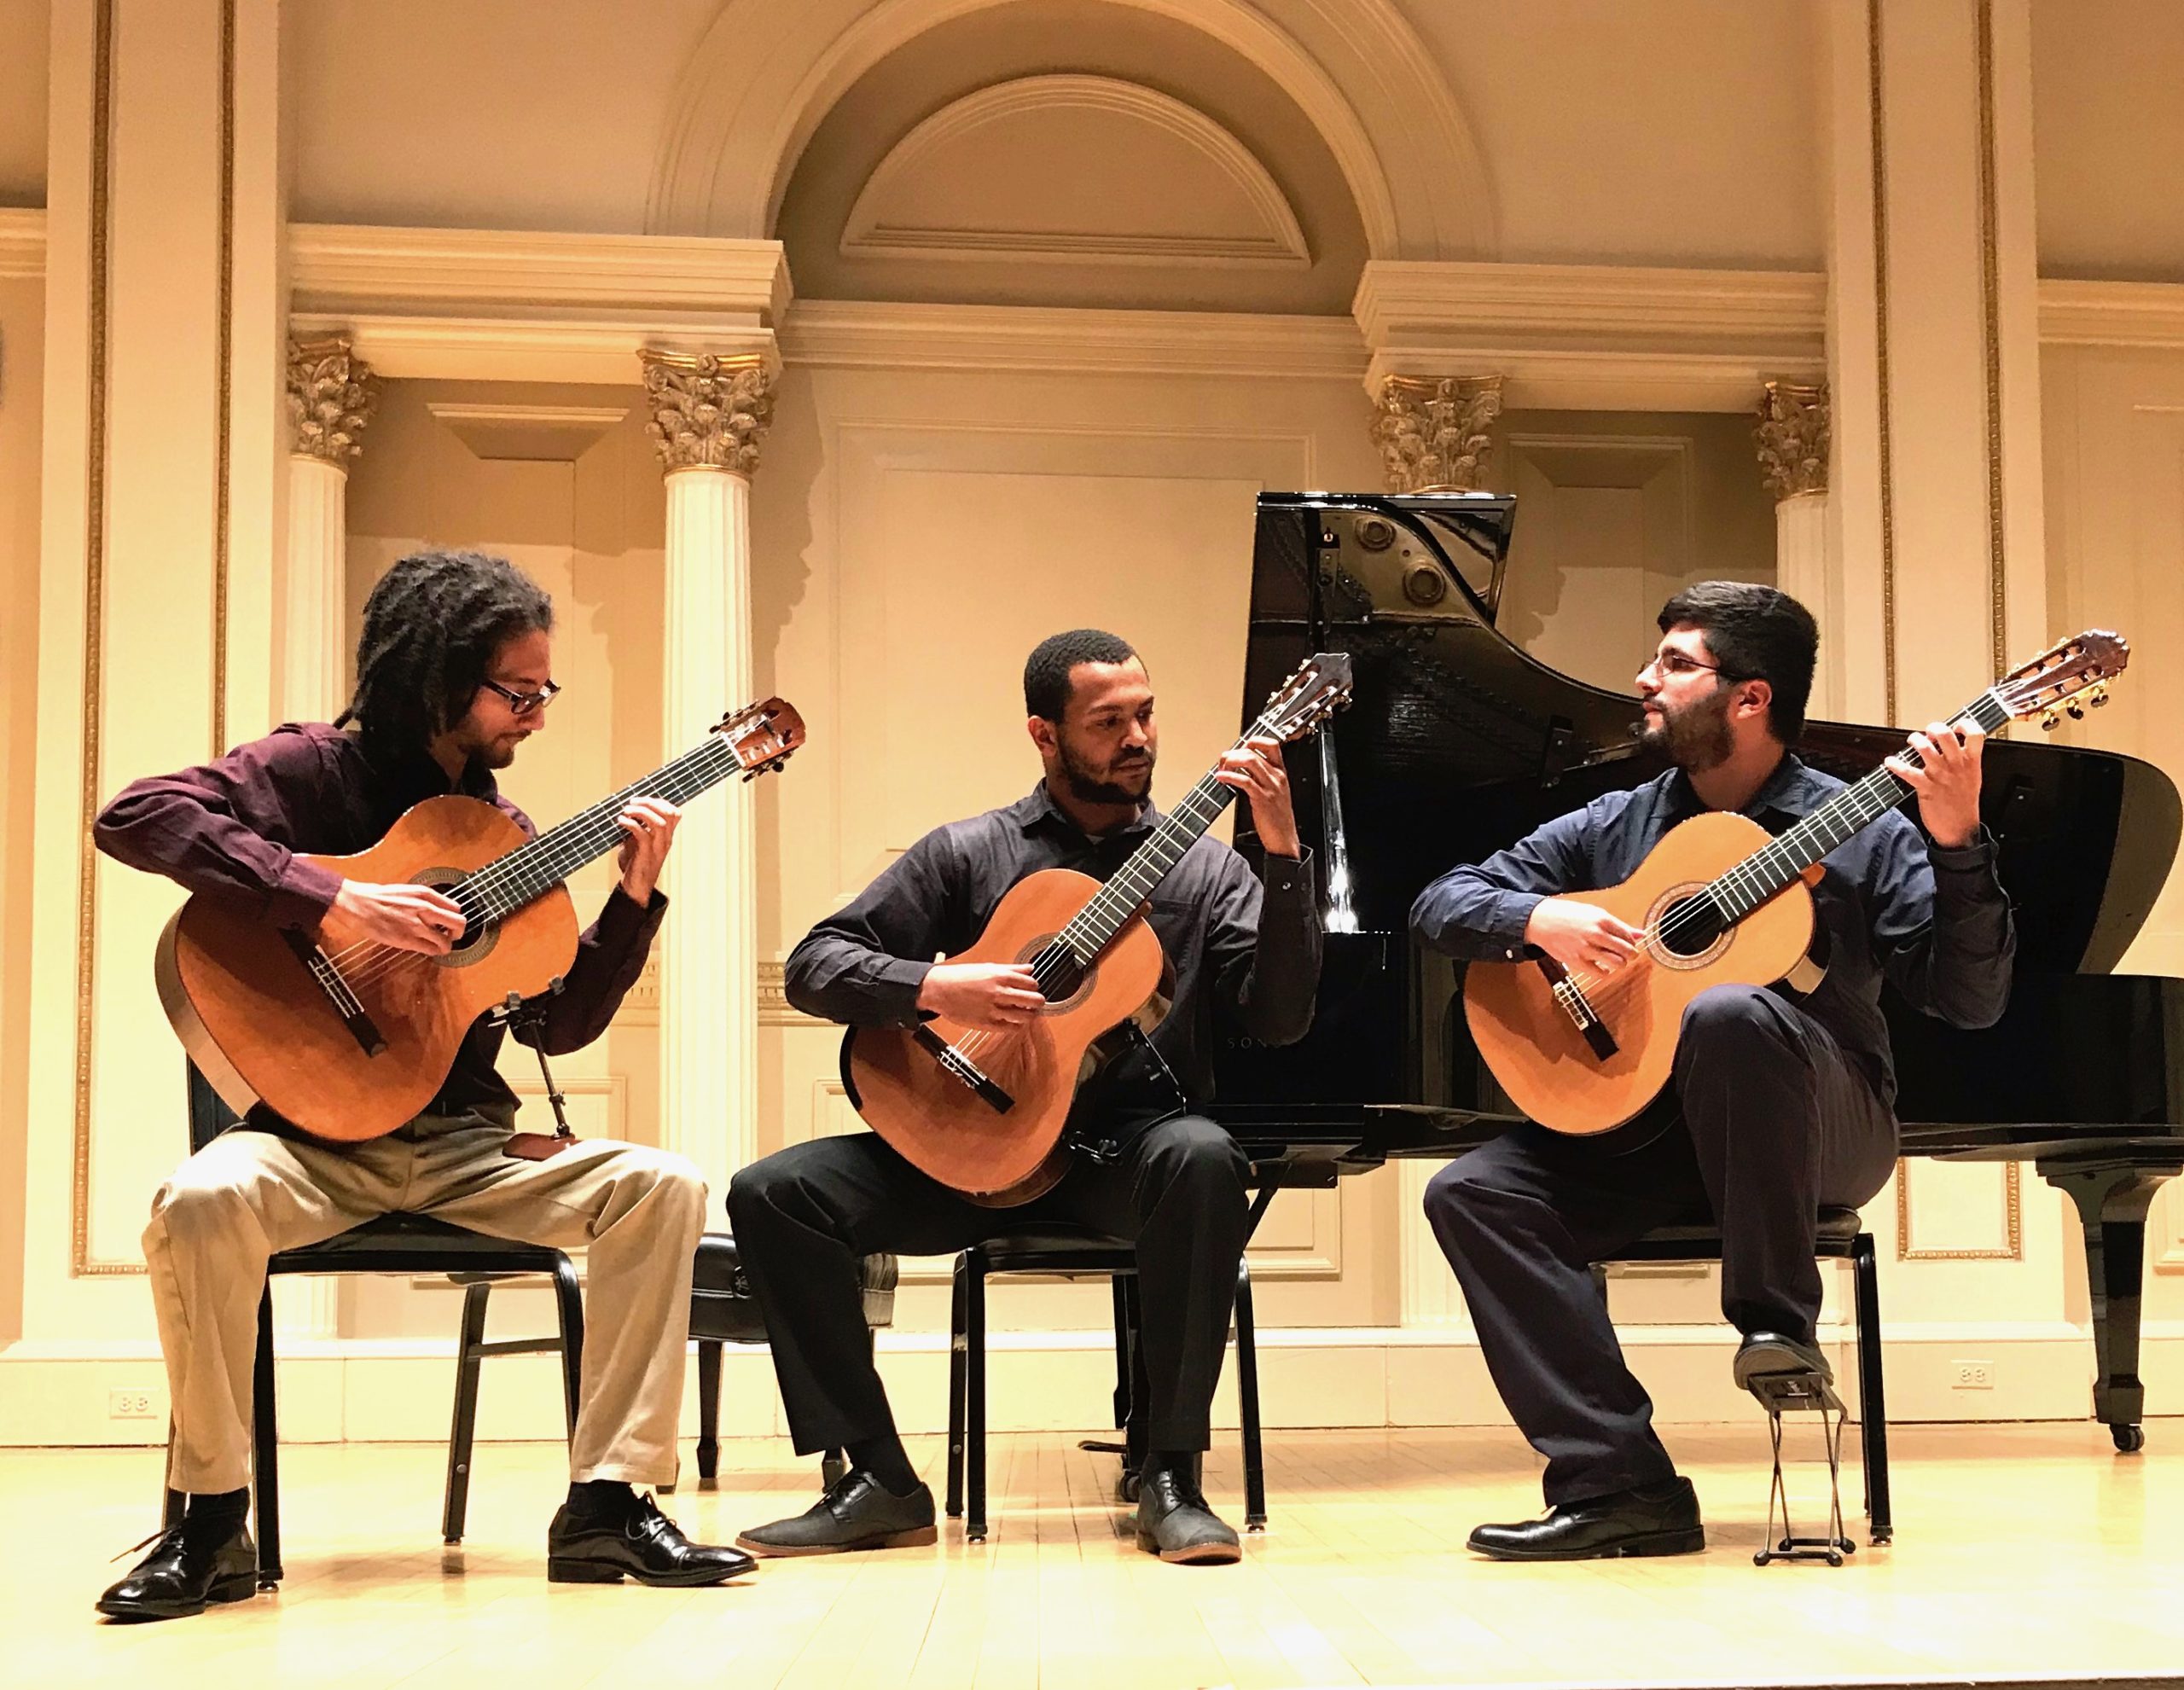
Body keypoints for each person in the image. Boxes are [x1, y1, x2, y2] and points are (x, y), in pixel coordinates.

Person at [92, 550, 752, 1620]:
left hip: (462, 1153)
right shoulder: (311, 772)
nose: (535, 715)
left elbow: (559, 1024)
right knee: (201, 1202)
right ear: (439, 676)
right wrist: (329, 902)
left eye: (546, 692)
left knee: (661, 1185)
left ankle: (609, 1504)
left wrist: (634, 899)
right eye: (517, 691)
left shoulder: (507, 841)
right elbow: (136, 814)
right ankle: (210, 1519)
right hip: (305, 1144)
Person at [1411, 581, 2014, 1560]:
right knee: (1475, 1193)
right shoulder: (1618, 824)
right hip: (1658, 1132)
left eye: (1675, 663)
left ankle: (1775, 1327)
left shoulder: (1861, 824)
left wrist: (1955, 843)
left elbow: (1970, 1001)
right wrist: (1538, 917)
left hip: (1825, 1121)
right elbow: (1442, 901)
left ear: (1749, 698)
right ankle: (1619, 1486)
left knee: (1732, 1009)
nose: (1645, 681)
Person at [728, 629, 1320, 1565]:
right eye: (1108, 721)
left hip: (1118, 1157)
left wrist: (1282, 853)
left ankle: (1168, 1476)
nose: (1138, 737)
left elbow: (1281, 1019)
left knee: (1202, 1154)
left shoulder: (1205, 871)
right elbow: (814, 965)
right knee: (774, 1193)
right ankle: (878, 1480)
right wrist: (938, 988)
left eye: (1146, 713)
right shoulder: (968, 853)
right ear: (1045, 735)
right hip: (964, 1140)